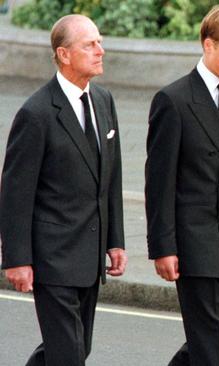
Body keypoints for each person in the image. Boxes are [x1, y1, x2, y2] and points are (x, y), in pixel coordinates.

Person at [0, 14, 126, 365]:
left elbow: (110, 179)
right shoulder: (36, 113)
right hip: (52, 257)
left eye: (100, 42)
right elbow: (15, 192)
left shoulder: (104, 101)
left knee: (73, 349)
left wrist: (115, 239)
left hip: (90, 255)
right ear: (64, 54)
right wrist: (17, 259)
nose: (101, 50)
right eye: (90, 44)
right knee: (69, 354)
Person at [144, 5, 219, 365]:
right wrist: (163, 247)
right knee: (211, 345)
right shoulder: (173, 100)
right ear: (208, 45)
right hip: (194, 242)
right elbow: (159, 182)